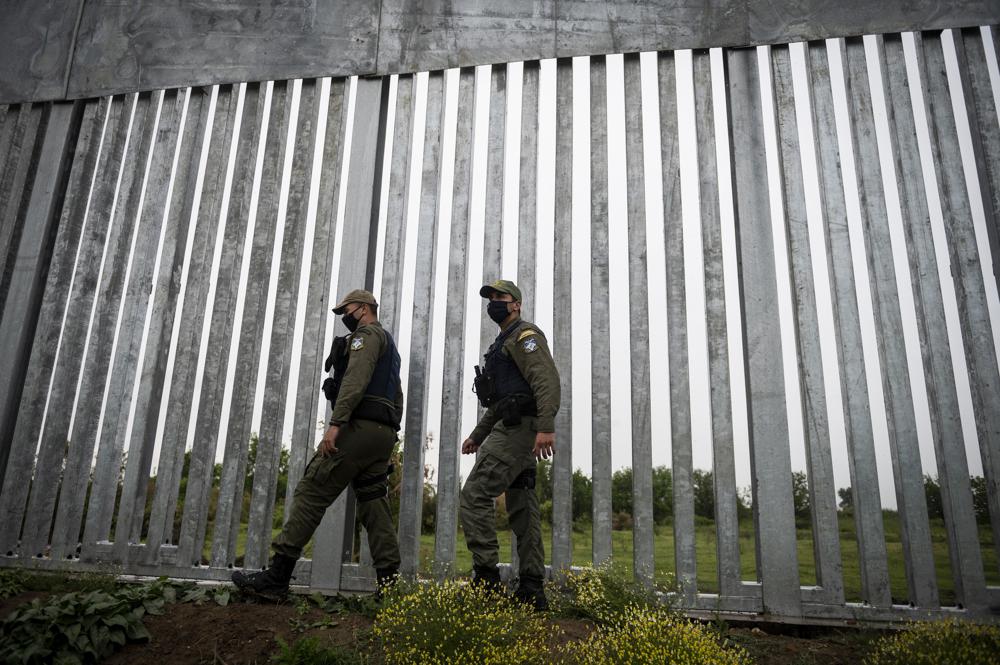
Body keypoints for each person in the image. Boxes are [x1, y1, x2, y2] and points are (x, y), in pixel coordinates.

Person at [233, 289, 403, 600]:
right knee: (374, 505)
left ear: (364, 309)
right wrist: (388, 433)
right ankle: (390, 589)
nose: (344, 317)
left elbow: (356, 379)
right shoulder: (390, 345)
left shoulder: (365, 337)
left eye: (346, 310)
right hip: (382, 433)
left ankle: (277, 577)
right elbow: (397, 396)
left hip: (358, 428)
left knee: (312, 489)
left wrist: (335, 426)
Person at [460, 279, 560, 610]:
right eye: (490, 297)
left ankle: (486, 581)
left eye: (499, 297)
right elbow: (502, 402)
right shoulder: (502, 343)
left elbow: (546, 381)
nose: (493, 302)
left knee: (474, 495)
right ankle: (532, 590)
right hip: (512, 426)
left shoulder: (524, 336)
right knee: (523, 508)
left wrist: (546, 427)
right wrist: (478, 435)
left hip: (520, 431)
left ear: (515, 303)